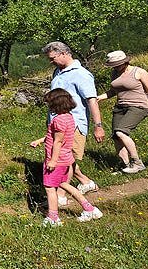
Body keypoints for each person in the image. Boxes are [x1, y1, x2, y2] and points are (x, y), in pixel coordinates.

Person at [29, 88, 104, 226]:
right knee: (64, 184)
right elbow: (55, 136)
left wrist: (52, 161)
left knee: (50, 188)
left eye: (49, 103)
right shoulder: (68, 117)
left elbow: (58, 141)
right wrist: (40, 140)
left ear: (56, 104)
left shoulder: (58, 120)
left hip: (56, 160)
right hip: (66, 159)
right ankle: (90, 209)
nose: (48, 106)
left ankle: (53, 218)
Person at [42, 41, 103, 204]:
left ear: (63, 54)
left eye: (53, 58)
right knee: (67, 158)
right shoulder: (58, 72)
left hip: (73, 124)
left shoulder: (81, 74)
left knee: (66, 160)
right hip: (56, 123)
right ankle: (86, 182)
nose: (51, 61)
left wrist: (98, 126)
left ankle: (61, 196)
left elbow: (92, 101)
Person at [96, 50, 148, 174]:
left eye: (117, 65)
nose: (115, 67)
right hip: (120, 107)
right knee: (117, 137)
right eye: (113, 65)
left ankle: (137, 163)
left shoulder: (139, 72)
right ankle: (126, 166)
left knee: (121, 132)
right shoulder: (115, 73)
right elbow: (113, 91)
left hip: (138, 106)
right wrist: (100, 97)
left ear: (125, 62)